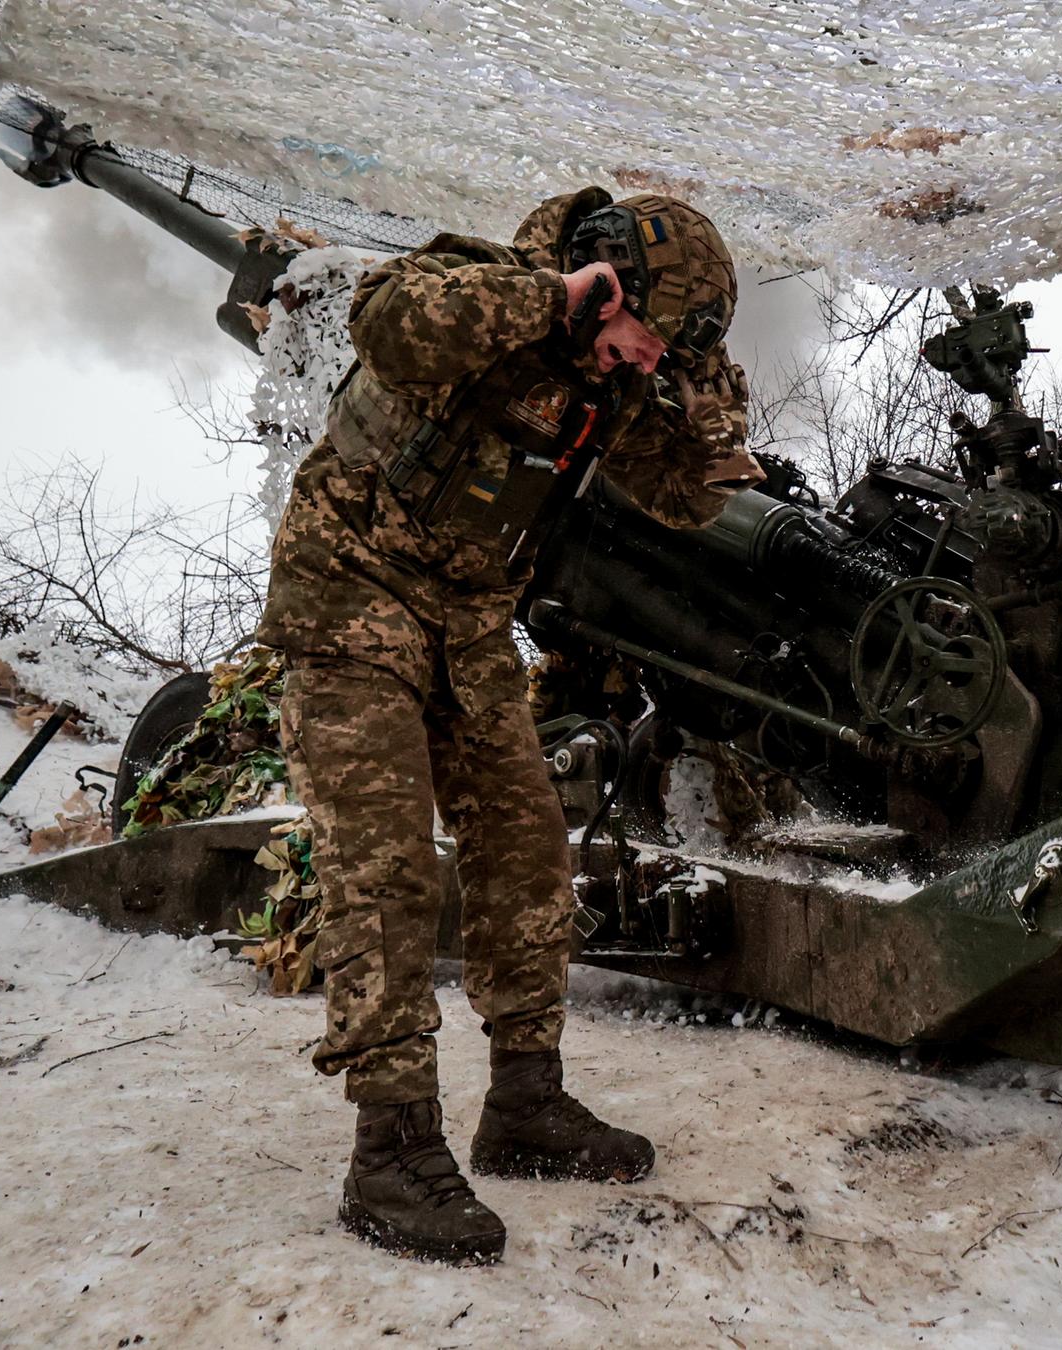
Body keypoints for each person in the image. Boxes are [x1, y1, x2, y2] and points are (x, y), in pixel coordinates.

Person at [256, 186, 763, 1265]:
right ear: (604, 280)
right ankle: (390, 1149)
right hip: (349, 596)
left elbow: (687, 498)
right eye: (636, 334)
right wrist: (550, 303)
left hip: (468, 622)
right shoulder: (473, 284)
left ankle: (524, 1107)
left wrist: (704, 388)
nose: (636, 361)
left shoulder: (616, 380)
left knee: (528, 849)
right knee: (385, 869)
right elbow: (386, 322)